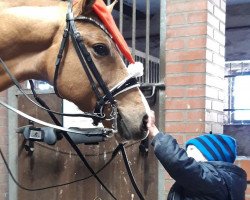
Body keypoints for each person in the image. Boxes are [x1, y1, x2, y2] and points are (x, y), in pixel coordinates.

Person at [146, 110, 247, 200]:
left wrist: (155, 133)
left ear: (210, 154)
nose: (187, 153)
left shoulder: (214, 180)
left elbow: (180, 163)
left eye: (192, 149)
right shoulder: (223, 180)